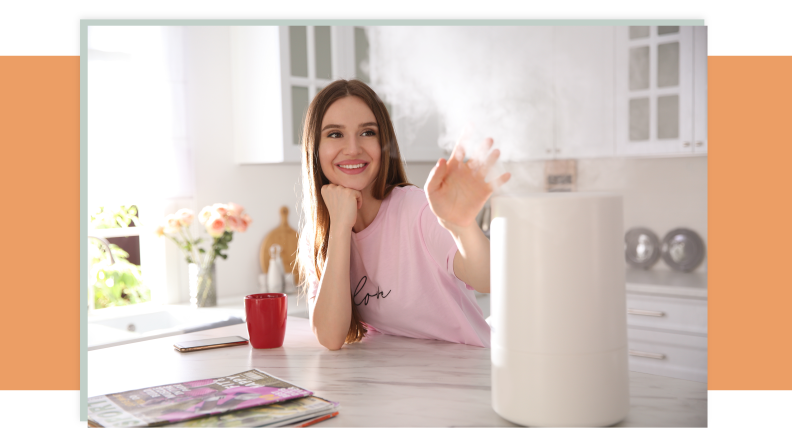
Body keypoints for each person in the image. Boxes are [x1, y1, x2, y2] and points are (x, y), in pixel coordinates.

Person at [296, 79, 510, 351]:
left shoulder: (418, 210)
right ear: (314, 148)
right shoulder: (321, 232)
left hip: (469, 373)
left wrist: (462, 225)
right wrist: (339, 227)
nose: (352, 148)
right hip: (399, 381)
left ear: (383, 142)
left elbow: (489, 280)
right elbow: (330, 336)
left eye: (367, 132)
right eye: (335, 134)